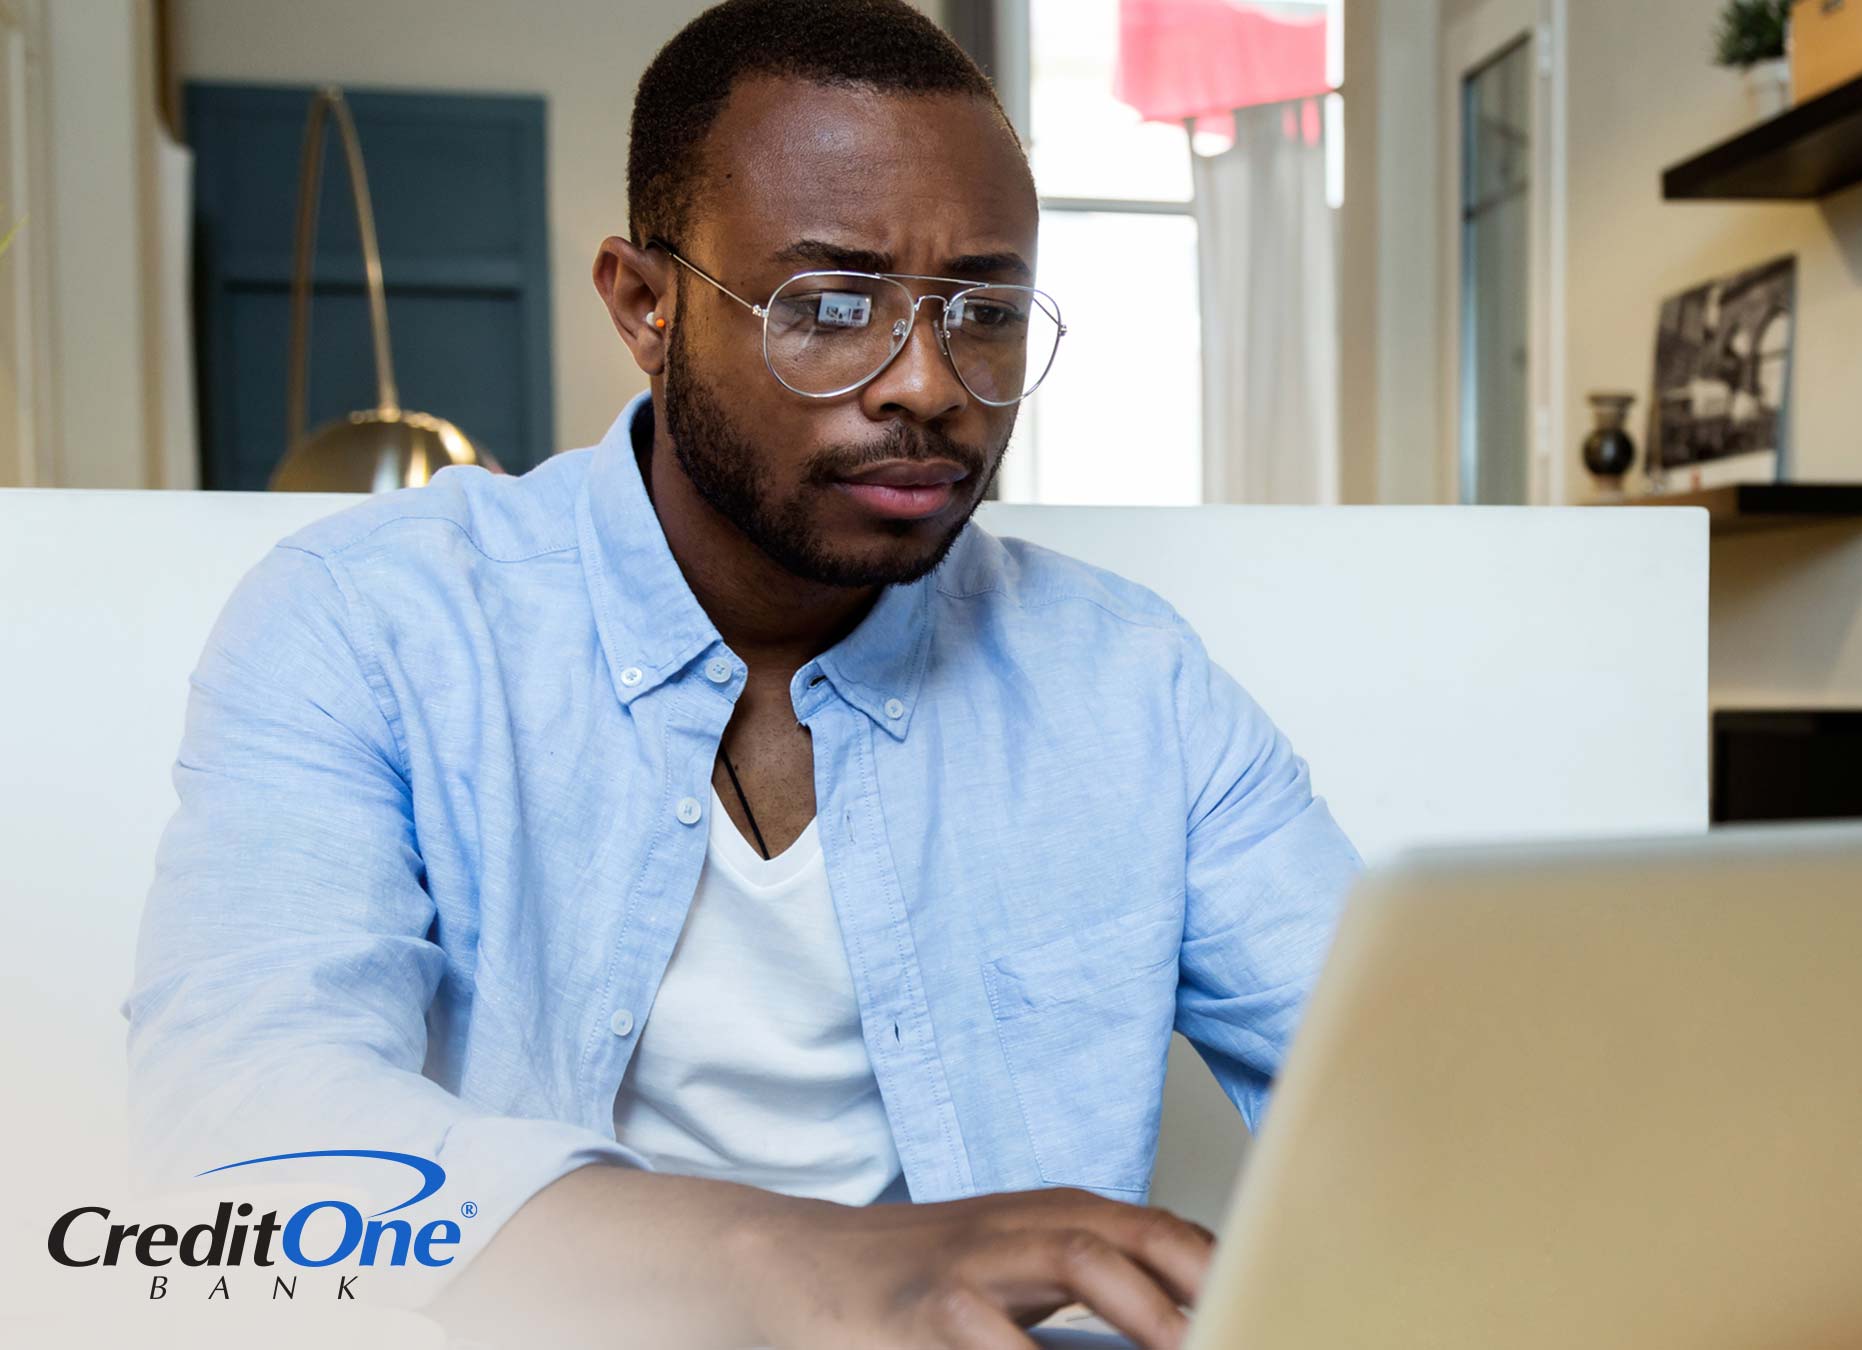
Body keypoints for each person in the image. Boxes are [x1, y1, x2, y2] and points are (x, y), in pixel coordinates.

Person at [125, 2, 1358, 1345]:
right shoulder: (374, 626)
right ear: (644, 305)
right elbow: (239, 1146)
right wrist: (812, 1260)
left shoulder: (1134, 688)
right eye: (833, 307)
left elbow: (1412, 1085)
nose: (930, 384)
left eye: (985, 313)